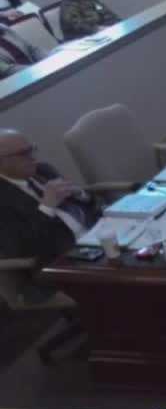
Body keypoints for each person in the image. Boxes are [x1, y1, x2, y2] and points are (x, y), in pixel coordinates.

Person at [0, 129, 99, 302]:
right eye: (23, 153)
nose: (32, 157)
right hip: (59, 260)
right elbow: (20, 247)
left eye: (32, 149)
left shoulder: (44, 170)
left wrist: (80, 194)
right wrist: (46, 207)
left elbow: (90, 204)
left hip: (96, 235)